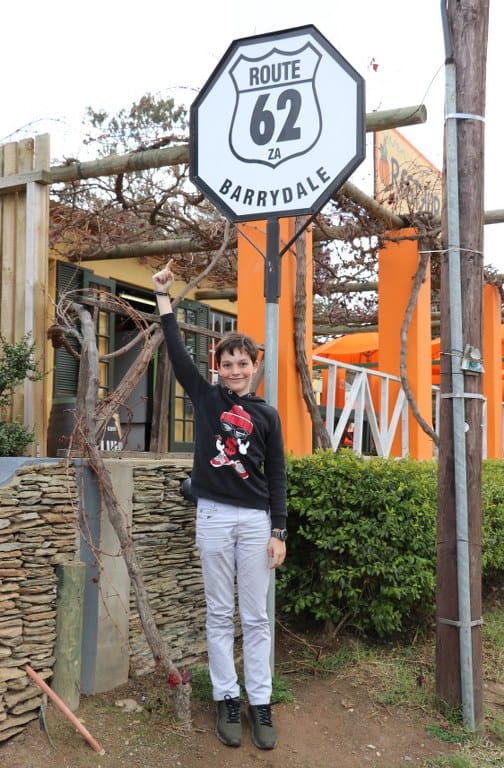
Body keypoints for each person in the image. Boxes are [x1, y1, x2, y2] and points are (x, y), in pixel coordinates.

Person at [152, 260, 288, 750]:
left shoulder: (267, 415)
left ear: (254, 366)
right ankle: (226, 698)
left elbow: (277, 476)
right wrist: (163, 298)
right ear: (219, 368)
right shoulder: (207, 399)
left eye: (242, 363)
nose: (235, 370)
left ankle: (260, 702)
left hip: (255, 522)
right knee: (218, 614)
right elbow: (176, 352)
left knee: (256, 618)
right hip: (212, 515)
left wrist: (279, 531)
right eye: (227, 364)